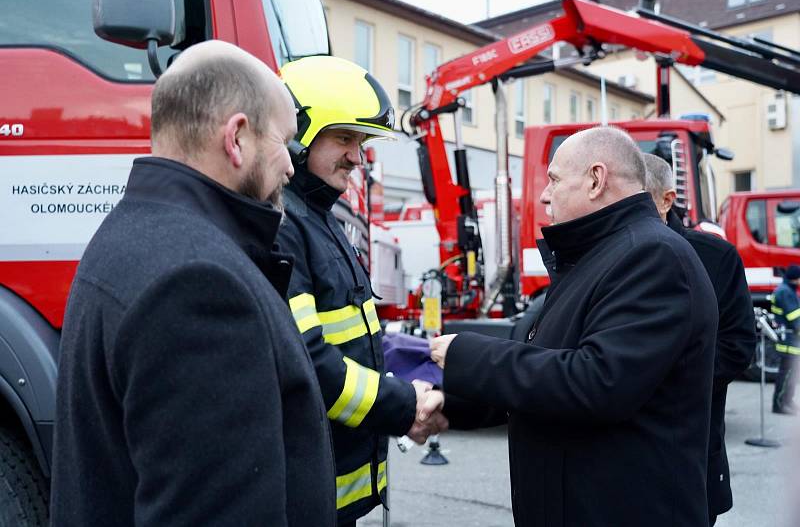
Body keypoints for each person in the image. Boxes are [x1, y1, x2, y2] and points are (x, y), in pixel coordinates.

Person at [51, 41, 336, 526]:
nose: (292, 167)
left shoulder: (129, 233)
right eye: (287, 144)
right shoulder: (199, 286)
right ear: (237, 138)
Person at [427, 126, 718, 527]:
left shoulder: (651, 257)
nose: (544, 195)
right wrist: (453, 404)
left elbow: (596, 382)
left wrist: (466, 354)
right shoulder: (602, 256)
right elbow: (547, 368)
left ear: (596, 180)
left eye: (554, 179)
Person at [276, 55, 446, 527]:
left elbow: (354, 337)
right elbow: (307, 360)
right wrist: (403, 406)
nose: (357, 156)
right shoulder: (286, 226)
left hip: (336, 495)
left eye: (362, 141)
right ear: (298, 134)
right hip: (309, 498)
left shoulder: (320, 219)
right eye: (344, 138)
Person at [644, 153, 756, 525]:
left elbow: (737, 347)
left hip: (688, 449)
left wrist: (663, 383)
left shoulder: (715, 257)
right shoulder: (600, 256)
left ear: (666, 200)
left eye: (639, 198)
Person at [771, 264, 800, 414]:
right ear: (796, 278)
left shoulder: (786, 290)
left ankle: (787, 401)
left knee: (791, 375)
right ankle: (780, 404)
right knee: (787, 375)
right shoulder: (786, 292)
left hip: (791, 342)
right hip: (789, 343)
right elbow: (795, 319)